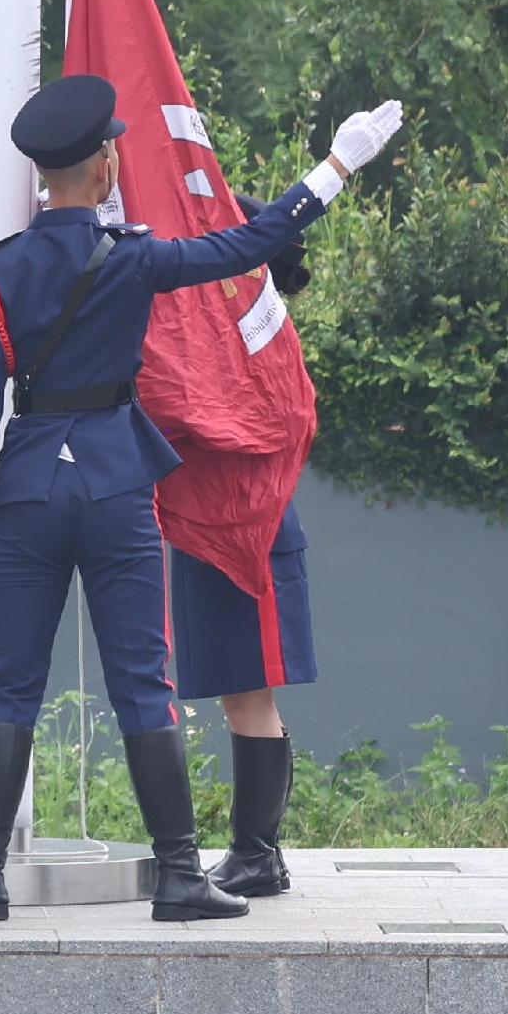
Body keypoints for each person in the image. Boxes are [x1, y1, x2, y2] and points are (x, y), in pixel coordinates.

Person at [0, 75, 403, 925]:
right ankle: (180, 875)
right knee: (143, 687)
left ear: (45, 177)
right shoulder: (134, 257)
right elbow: (246, 243)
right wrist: (336, 165)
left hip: (31, 484)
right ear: (106, 165)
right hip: (117, 483)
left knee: (8, 687)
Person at [172, 207, 322, 898]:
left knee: (248, 699)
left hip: (243, 527)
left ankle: (257, 854)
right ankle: (261, 852)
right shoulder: (249, 319)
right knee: (245, 697)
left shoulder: (250, 326)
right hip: (228, 524)